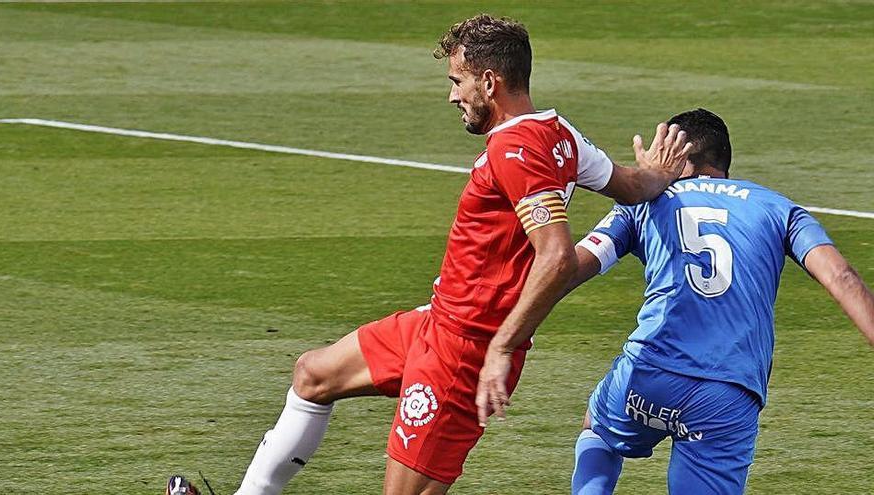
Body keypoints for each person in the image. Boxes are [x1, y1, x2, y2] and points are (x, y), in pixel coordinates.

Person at [168, 15, 692, 495]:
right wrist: (659, 176)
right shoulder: (559, 135)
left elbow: (553, 257)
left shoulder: (517, 151)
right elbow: (628, 184)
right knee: (314, 374)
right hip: (437, 324)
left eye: (457, 81)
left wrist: (502, 347)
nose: (452, 96)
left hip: (465, 352)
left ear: (489, 81)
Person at [475, 107, 874, 494]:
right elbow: (840, 276)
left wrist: (503, 327)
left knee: (597, 426)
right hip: (728, 393)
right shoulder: (779, 208)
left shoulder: (643, 204)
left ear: (678, 157)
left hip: (649, 375)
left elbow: (570, 269)